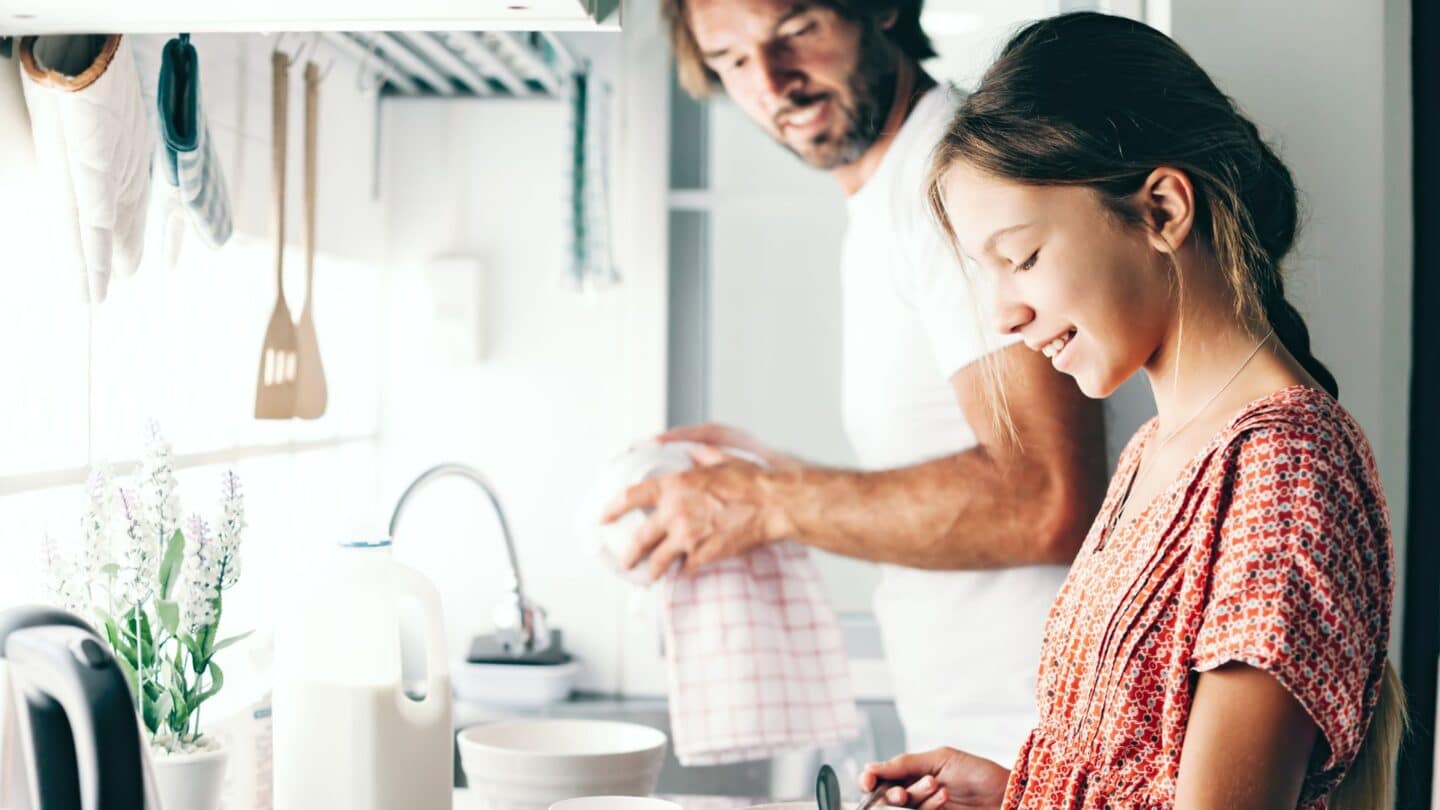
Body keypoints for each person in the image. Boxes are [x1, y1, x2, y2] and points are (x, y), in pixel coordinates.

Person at [858, 12, 1405, 809]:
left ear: (1162, 210)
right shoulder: (1159, 450)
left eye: (1023, 259)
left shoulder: (1283, 473)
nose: (1005, 314)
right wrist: (1015, 795)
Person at [603, 0, 1108, 764]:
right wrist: (784, 482)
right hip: (989, 754)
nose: (773, 84)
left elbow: (1047, 500)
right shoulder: (895, 192)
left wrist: (766, 502)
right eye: (732, 61)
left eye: (796, 30)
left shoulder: (952, 179)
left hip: (1041, 746)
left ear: (881, 9)